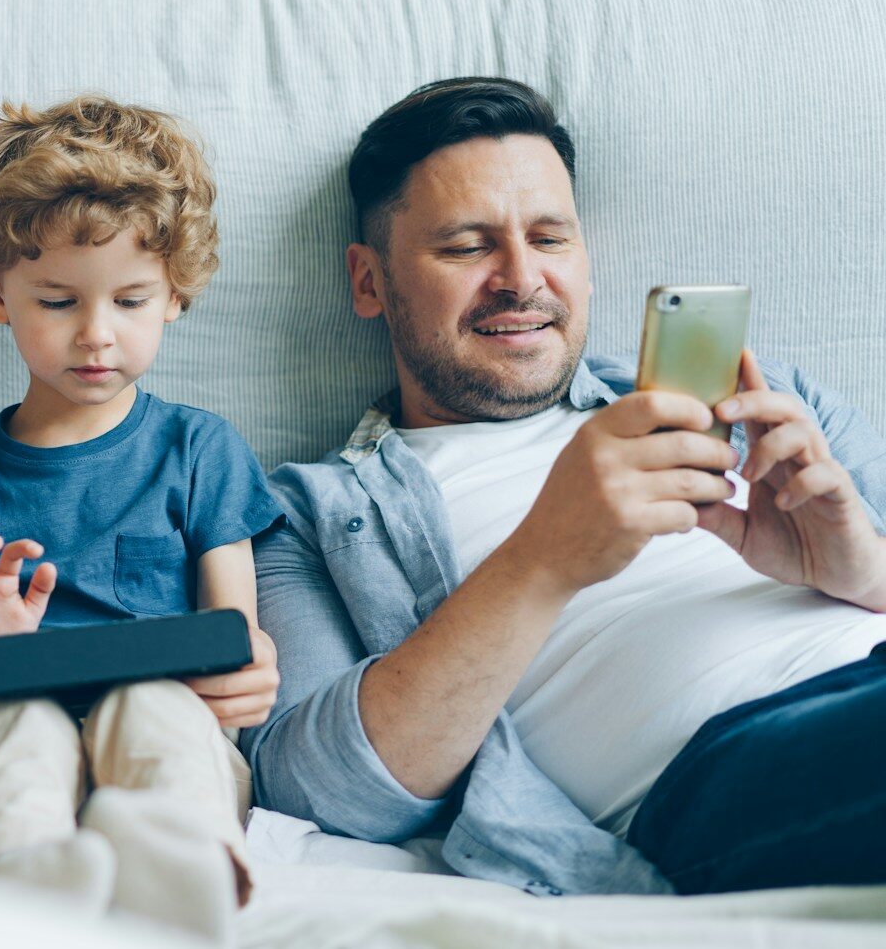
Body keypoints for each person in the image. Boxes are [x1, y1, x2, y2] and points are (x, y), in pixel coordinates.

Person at [241, 77, 886, 896]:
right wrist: (546, 556)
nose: (522, 278)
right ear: (369, 281)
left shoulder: (773, 399)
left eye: (550, 237)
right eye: (466, 247)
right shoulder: (303, 517)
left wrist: (865, 569)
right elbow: (315, 791)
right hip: (737, 767)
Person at [0, 96, 283, 941]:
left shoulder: (201, 451)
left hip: (165, 725)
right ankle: (26, 890)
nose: (97, 335)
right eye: (59, 302)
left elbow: (236, 639)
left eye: (130, 301)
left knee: (152, 709)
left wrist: (249, 675)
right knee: (21, 725)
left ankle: (186, 878)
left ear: (174, 296)